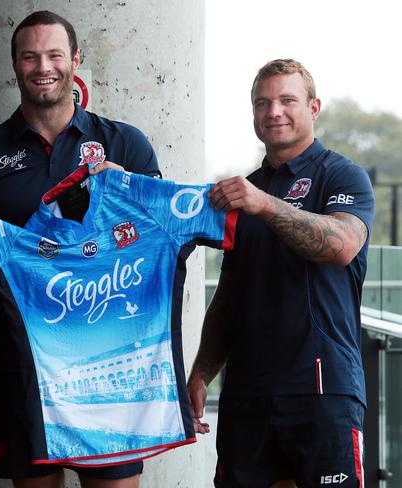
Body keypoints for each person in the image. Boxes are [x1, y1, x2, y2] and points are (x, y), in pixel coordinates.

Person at [0, 10, 161, 488]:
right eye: (30, 56)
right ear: (15, 65)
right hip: (18, 365)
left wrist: (128, 199)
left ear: (75, 60)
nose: (44, 66)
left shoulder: (125, 146)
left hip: (107, 371)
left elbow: (158, 249)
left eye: (55, 54)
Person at [187, 58, 374, 488]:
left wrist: (266, 205)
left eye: (287, 100)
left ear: (314, 107)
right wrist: (201, 373)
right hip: (247, 394)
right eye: (262, 103)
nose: (274, 112)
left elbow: (342, 246)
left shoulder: (342, 174)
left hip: (323, 389)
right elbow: (229, 296)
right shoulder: (246, 189)